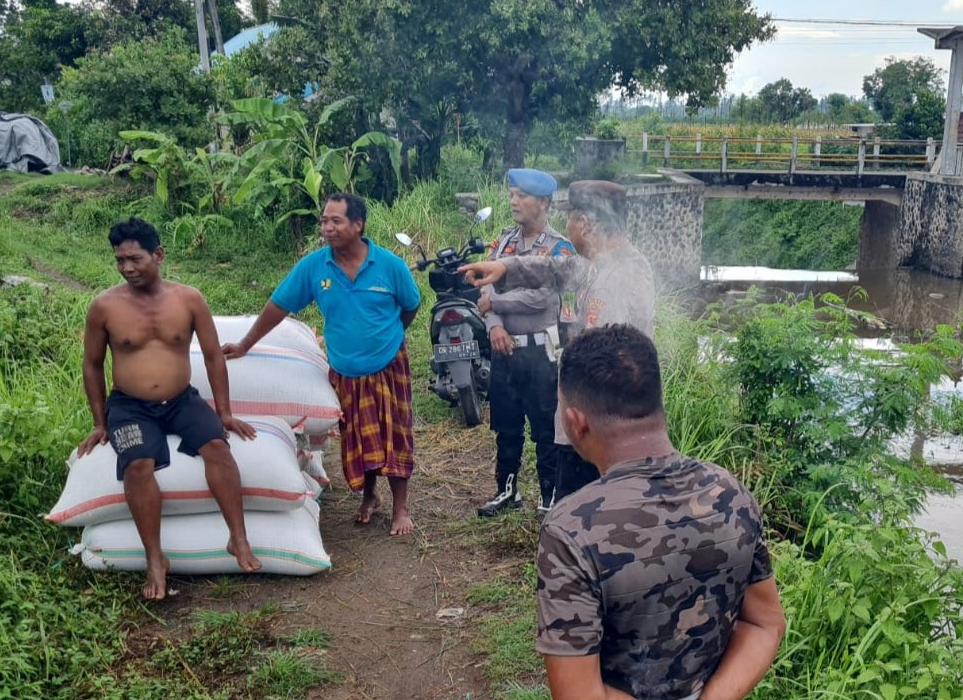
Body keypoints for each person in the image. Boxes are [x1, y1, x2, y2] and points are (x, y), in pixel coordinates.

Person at [535, 325, 785, 700]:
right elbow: (765, 623)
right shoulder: (730, 493)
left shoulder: (573, 528)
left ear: (575, 420)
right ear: (656, 401)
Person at [77, 218, 260, 601]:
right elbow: (92, 365)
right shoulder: (104, 307)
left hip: (181, 400)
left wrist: (223, 412)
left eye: (135, 259)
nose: (127, 268)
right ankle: (155, 558)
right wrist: (99, 421)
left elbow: (213, 356)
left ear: (158, 255)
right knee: (138, 465)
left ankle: (238, 538)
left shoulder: (189, 299)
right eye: (119, 261)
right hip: (129, 407)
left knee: (218, 448)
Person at [223, 194, 423, 535]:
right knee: (357, 437)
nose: (327, 228)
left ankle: (401, 508)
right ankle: (370, 496)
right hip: (345, 371)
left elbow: (411, 306)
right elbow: (278, 306)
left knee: (396, 435)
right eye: (324, 221)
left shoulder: (390, 266)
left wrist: (387, 336)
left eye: (336, 221)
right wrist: (245, 344)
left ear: (358, 225)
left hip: (389, 365)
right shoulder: (314, 267)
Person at [459, 179, 656, 510]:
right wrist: (504, 266)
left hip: (598, 429)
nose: (568, 226)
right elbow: (556, 268)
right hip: (592, 427)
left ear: (586, 224)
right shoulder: (602, 263)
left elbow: (607, 367)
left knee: (578, 517)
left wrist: (579, 428)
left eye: (571, 218)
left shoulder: (615, 281)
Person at [476, 168, 577, 518]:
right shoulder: (503, 242)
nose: (514, 201)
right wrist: (493, 326)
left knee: (545, 426)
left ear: (544, 202)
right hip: (504, 347)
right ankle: (507, 491)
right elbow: (484, 287)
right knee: (505, 424)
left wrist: (497, 304)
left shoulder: (559, 249)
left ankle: (549, 496)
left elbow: (542, 299)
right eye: (512, 194)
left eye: (522, 196)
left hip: (541, 350)